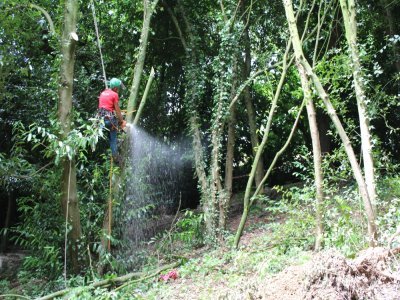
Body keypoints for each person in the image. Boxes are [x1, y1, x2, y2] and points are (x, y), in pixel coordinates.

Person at [98, 78, 127, 161]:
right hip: (109, 120)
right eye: (118, 88)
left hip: (101, 120)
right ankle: (115, 157)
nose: (118, 90)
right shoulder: (114, 94)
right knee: (113, 138)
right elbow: (117, 110)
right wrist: (122, 121)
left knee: (111, 136)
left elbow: (106, 106)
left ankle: (115, 145)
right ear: (115, 88)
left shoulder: (103, 93)